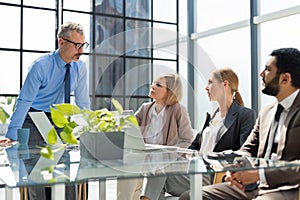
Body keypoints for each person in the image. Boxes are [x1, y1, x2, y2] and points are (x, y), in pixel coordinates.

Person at [180, 47, 300, 200]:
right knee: (191, 197)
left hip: (289, 189)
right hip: (253, 187)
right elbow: (247, 149)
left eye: (268, 70)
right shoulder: (267, 112)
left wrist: (258, 174)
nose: (261, 74)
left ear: (285, 79)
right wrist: (236, 170)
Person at [0, 22, 90, 200]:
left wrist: (87, 130)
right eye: (76, 45)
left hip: (58, 120)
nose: (80, 50)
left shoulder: (80, 67)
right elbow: (25, 100)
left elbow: (82, 102)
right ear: (61, 42)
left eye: (83, 45)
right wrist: (12, 133)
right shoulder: (40, 66)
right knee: (37, 174)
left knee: (65, 172)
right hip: (33, 118)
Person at [140, 67, 256, 200]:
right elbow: (194, 146)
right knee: (157, 172)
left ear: (225, 84)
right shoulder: (213, 116)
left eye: (210, 83)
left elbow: (245, 152)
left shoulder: (245, 115)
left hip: (214, 175)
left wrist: (211, 159)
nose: (206, 88)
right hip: (194, 170)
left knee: (158, 174)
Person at [117, 73, 195, 200]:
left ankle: (146, 198)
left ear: (170, 91)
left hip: (170, 163)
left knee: (159, 167)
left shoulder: (178, 110)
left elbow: (187, 138)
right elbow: (130, 129)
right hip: (147, 159)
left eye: (158, 85)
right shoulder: (145, 108)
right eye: (153, 83)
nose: (152, 86)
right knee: (127, 168)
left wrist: (169, 154)